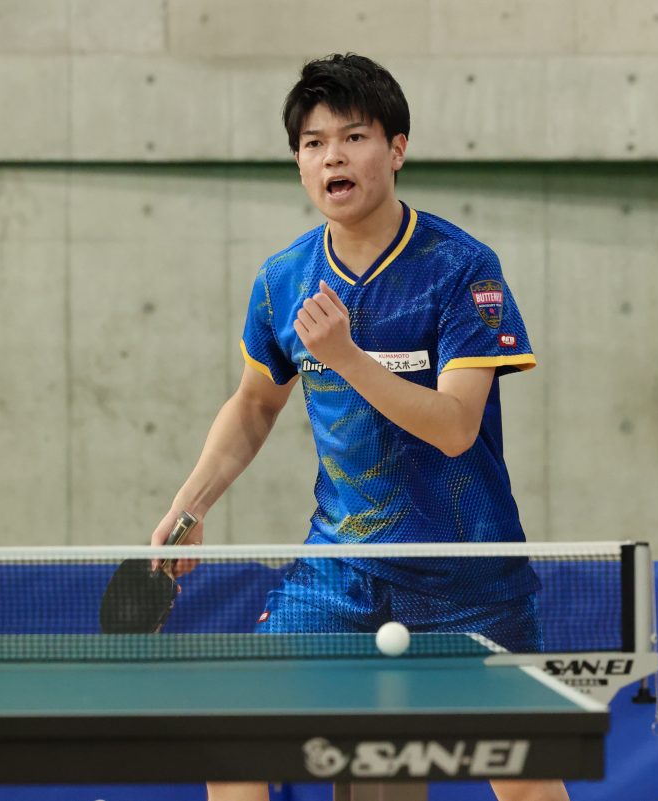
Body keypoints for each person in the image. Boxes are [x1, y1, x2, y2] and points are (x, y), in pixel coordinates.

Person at [151, 53, 567, 801]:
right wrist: (191, 505)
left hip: (466, 571)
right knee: (236, 742)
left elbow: (454, 428)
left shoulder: (461, 270)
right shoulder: (284, 279)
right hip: (340, 569)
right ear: (299, 161)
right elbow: (255, 404)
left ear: (396, 148)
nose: (332, 157)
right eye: (313, 143)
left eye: (353, 137)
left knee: (527, 785)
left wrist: (344, 356)